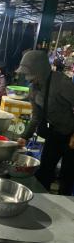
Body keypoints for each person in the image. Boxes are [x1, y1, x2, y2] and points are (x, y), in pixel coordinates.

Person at [17, 50, 74, 195]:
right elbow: (36, 116)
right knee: (44, 173)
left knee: (67, 177)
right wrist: (25, 136)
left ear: (40, 69)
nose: (28, 78)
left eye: (30, 73)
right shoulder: (34, 89)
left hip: (71, 135)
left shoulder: (61, 83)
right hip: (55, 133)